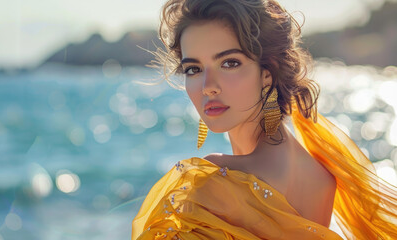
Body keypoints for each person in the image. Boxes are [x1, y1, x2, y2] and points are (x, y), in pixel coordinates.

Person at [131, 0, 397, 239]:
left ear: (267, 73)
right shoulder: (322, 177)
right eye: (194, 69)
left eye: (229, 63)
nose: (208, 86)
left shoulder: (214, 182)